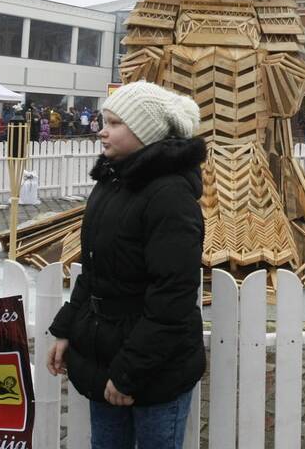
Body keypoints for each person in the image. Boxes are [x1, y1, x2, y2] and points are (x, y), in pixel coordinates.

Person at [46, 81, 205, 449]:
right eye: (105, 120)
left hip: (152, 368)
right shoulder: (112, 181)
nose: (102, 130)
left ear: (145, 131)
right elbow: (95, 269)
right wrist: (67, 328)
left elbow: (171, 297)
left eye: (115, 123)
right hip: (107, 356)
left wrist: (129, 372)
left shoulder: (170, 197)